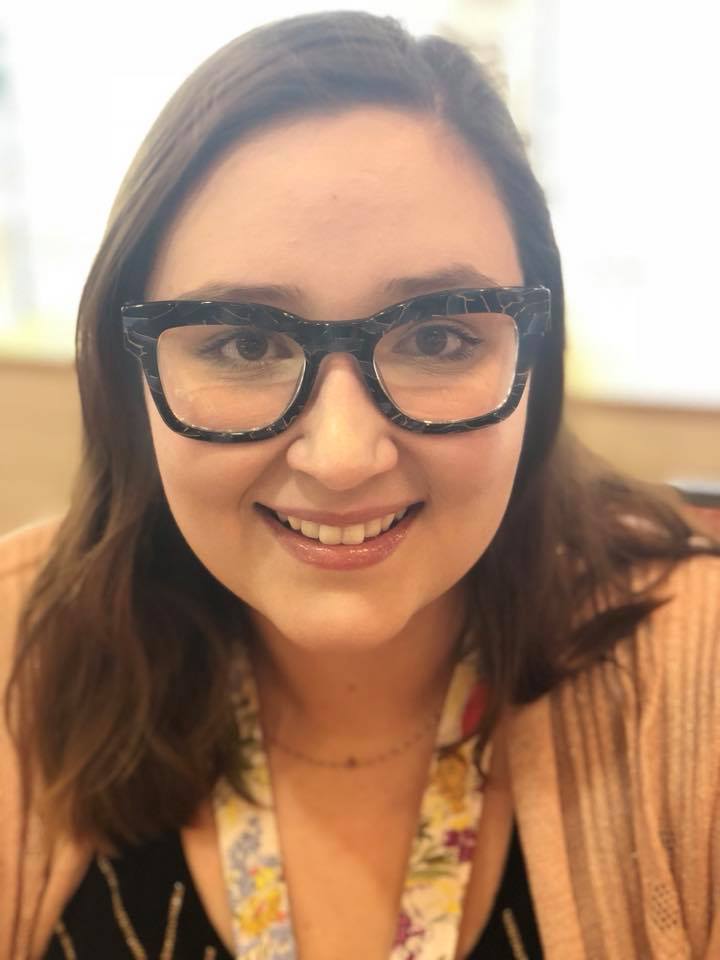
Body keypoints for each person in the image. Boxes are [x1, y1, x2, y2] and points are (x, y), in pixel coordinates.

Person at [1, 10, 719, 959]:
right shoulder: (19, 653)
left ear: (533, 357)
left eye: (436, 337)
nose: (342, 457)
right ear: (130, 374)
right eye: (245, 342)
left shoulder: (698, 672)